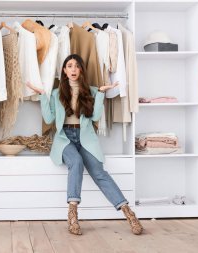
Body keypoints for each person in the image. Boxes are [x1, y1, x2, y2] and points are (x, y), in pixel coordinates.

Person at [27, 54, 143, 235]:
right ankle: (72, 215)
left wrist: (102, 93)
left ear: (81, 70)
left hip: (85, 138)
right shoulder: (57, 94)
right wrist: (43, 96)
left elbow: (95, 117)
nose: (73, 69)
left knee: (99, 173)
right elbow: (49, 119)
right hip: (64, 138)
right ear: (64, 71)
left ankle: (129, 214)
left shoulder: (92, 91)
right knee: (77, 162)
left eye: (76, 66)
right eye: (69, 66)